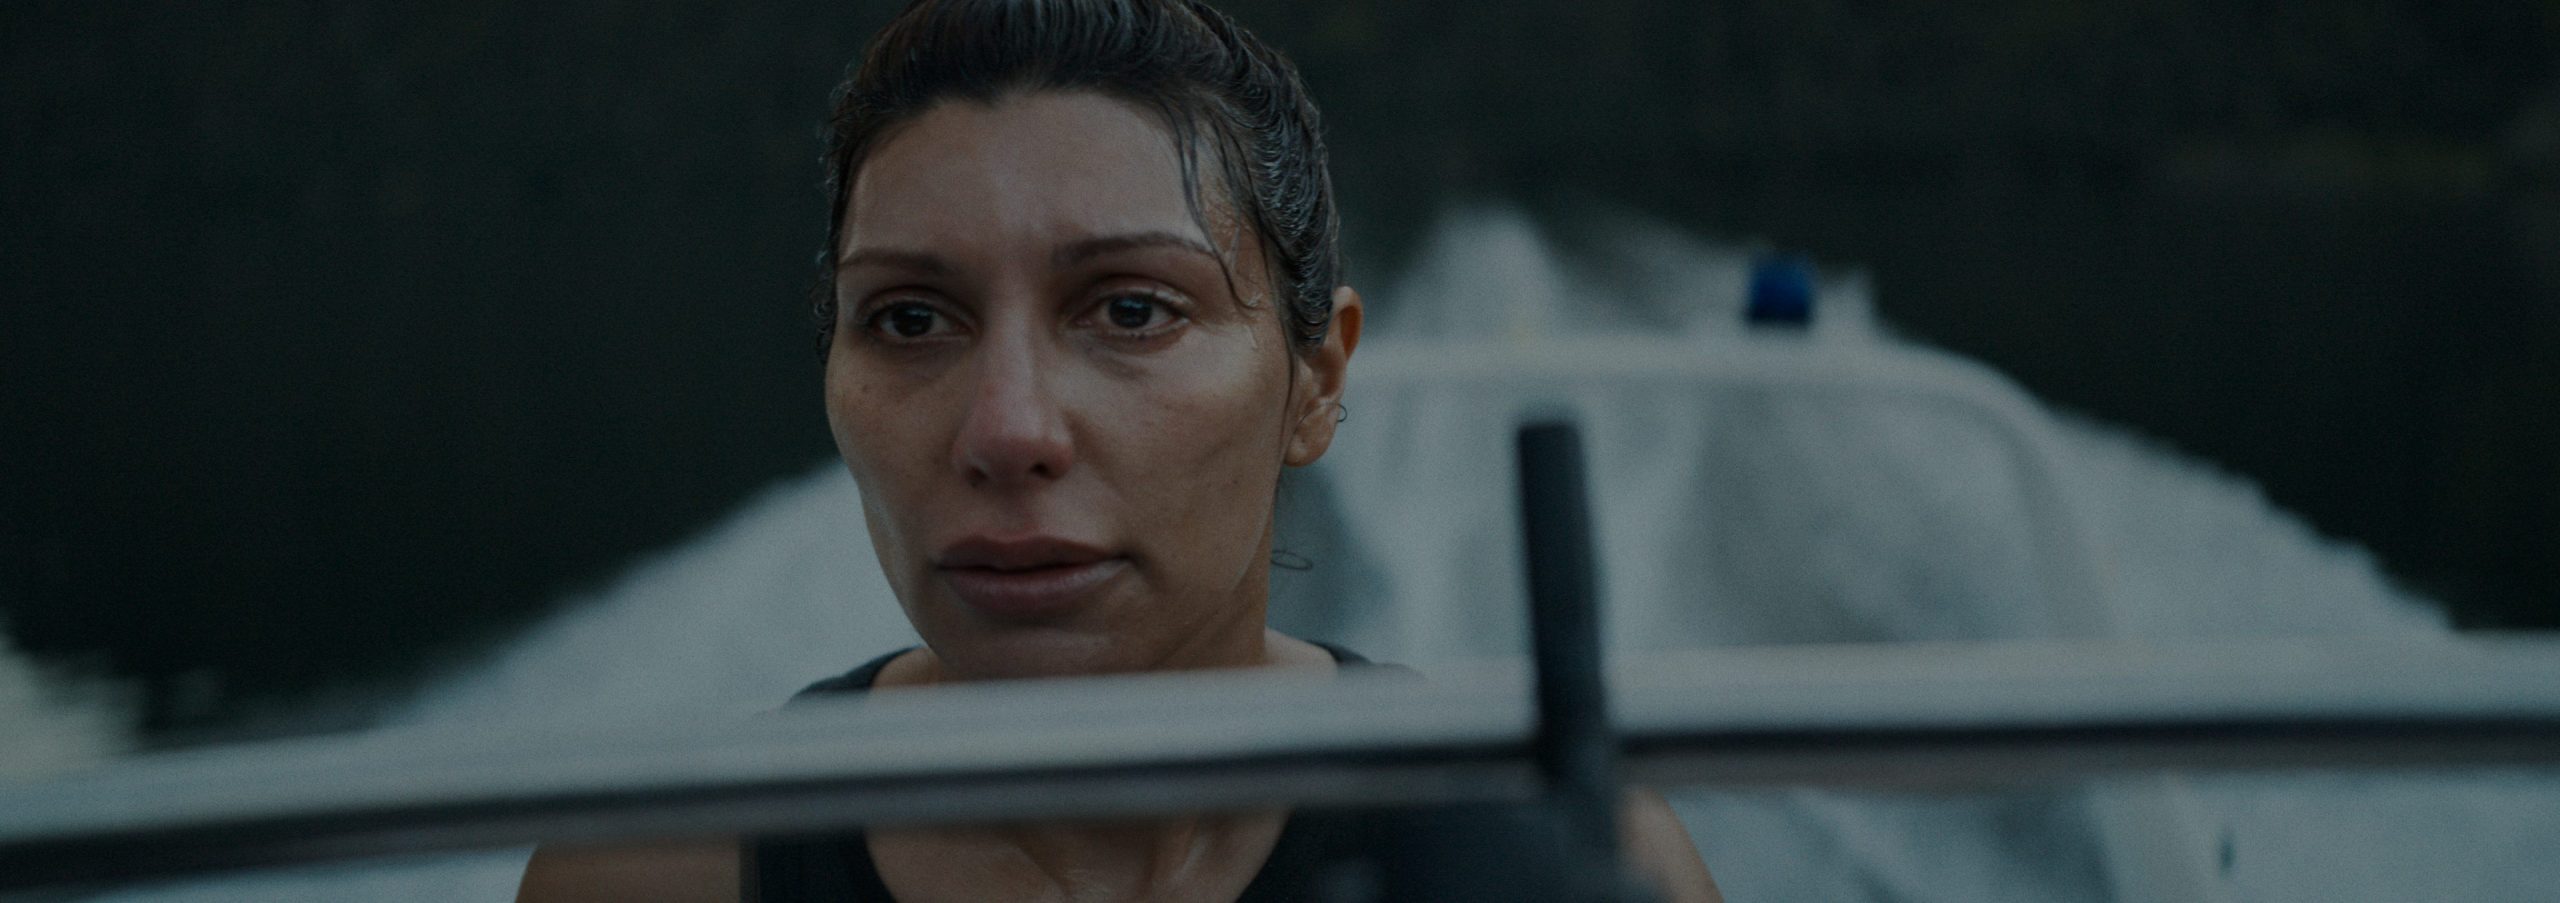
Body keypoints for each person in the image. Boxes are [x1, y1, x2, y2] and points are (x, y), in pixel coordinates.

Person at [517, 0, 1720, 899]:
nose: (1008, 431)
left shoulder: (1572, 864)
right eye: (909, 320)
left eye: (1133, 311)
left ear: (1318, 377)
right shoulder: (650, 878)